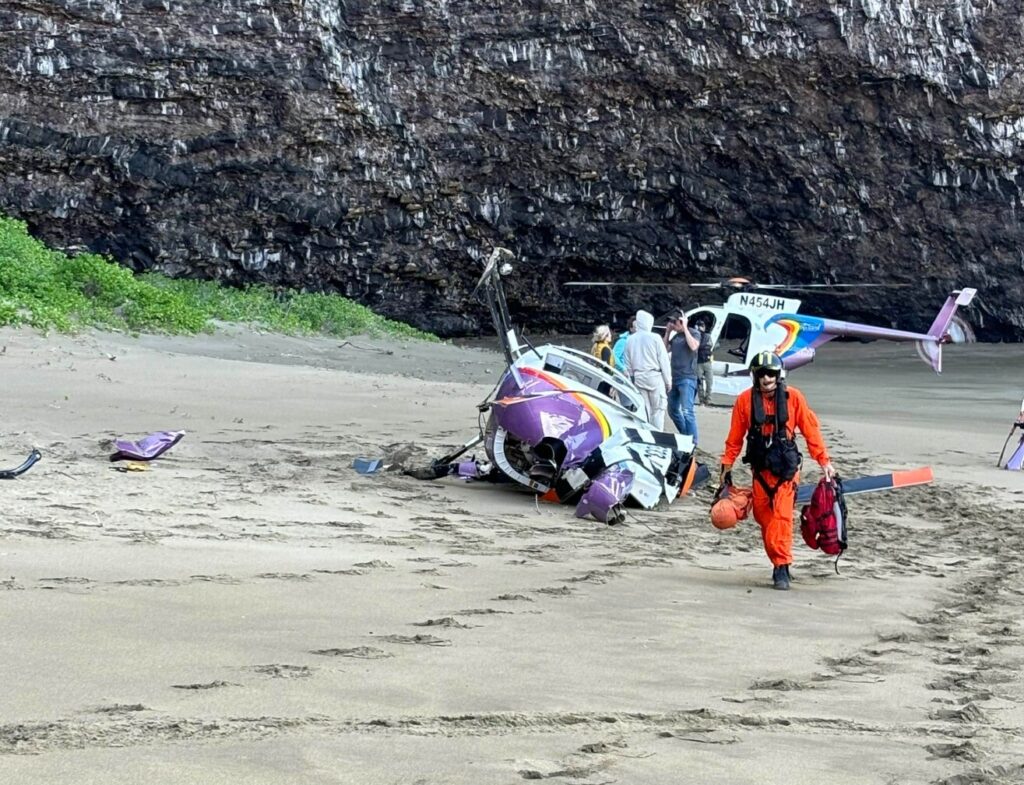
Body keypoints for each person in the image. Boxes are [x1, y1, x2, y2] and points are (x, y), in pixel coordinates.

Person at [718, 351, 836, 591]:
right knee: (764, 518)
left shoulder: (794, 398)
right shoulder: (744, 401)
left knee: (781, 518)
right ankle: (778, 560)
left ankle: (781, 567)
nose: (766, 378)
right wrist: (726, 467)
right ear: (755, 376)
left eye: (771, 373)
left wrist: (824, 461)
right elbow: (734, 438)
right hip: (761, 472)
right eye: (761, 374)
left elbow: (811, 431)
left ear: (778, 375)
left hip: (786, 471)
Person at [624, 310, 671, 429]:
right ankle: (657, 434)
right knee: (658, 409)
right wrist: (668, 381)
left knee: (644, 410)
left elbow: (628, 363)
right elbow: (664, 360)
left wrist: (631, 379)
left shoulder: (630, 339)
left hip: (638, 377)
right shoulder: (655, 338)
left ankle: (645, 434)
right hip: (655, 376)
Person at [664, 310, 701, 444]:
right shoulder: (675, 337)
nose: (673, 324)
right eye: (671, 322)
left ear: (682, 321)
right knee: (672, 410)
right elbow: (663, 350)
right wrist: (668, 333)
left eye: (675, 322)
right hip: (675, 377)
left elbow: (694, 346)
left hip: (687, 378)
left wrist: (685, 327)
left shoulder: (693, 333)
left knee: (687, 411)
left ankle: (693, 441)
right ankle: (686, 435)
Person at [590, 324, 615, 397]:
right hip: (604, 381)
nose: (611, 336)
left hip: (597, 377)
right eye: (609, 334)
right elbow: (606, 367)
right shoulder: (605, 349)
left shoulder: (596, 346)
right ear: (605, 336)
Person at [695, 319, 715, 405]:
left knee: (709, 381)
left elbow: (710, 346)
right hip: (699, 361)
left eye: (702, 326)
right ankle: (701, 399)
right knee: (699, 382)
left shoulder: (707, 336)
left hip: (707, 361)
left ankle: (708, 399)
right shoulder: (695, 336)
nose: (701, 328)